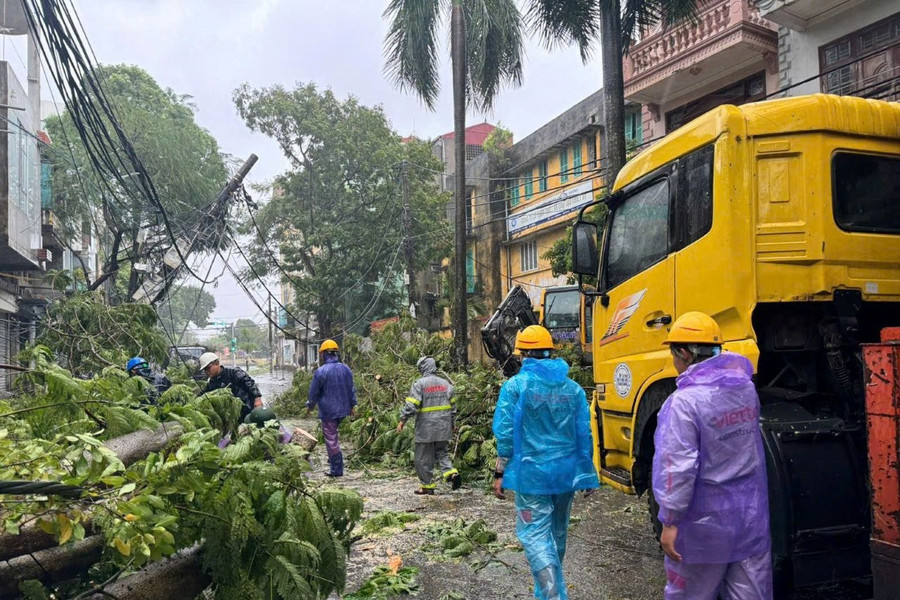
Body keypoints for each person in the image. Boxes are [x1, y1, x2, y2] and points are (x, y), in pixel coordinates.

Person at [653, 312, 771, 600]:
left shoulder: (683, 402)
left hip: (703, 524)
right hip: (749, 518)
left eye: (673, 353)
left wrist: (669, 522)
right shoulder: (744, 388)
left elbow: (676, 468)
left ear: (683, 352)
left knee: (691, 594)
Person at [492, 325, 599, 600]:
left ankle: (552, 596)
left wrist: (500, 469)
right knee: (557, 534)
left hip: (532, 476)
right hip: (565, 475)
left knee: (535, 536)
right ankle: (547, 592)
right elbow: (583, 433)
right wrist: (586, 472)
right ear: (550, 352)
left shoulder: (515, 387)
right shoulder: (573, 389)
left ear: (523, 353)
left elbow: (505, 432)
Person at [396, 356, 461, 495]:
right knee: (442, 452)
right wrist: (452, 423)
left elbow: (411, 405)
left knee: (422, 458)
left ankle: (427, 486)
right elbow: (453, 408)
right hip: (444, 426)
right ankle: (451, 473)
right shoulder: (447, 384)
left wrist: (402, 420)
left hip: (426, 427)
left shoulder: (419, 384)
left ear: (422, 368)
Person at [306, 339, 356, 477]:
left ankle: (336, 469)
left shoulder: (321, 371)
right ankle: (333, 460)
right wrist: (352, 406)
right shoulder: (346, 369)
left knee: (331, 439)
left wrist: (310, 406)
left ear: (323, 354)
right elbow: (351, 389)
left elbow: (314, 393)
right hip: (343, 409)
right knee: (334, 437)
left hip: (329, 411)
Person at [199, 352, 262, 424]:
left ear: (217, 363)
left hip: (248, 410)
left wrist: (257, 399)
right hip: (232, 418)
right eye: (204, 369)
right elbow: (202, 397)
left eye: (208, 368)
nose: (207, 371)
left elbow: (250, 384)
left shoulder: (233, 373)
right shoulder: (211, 384)